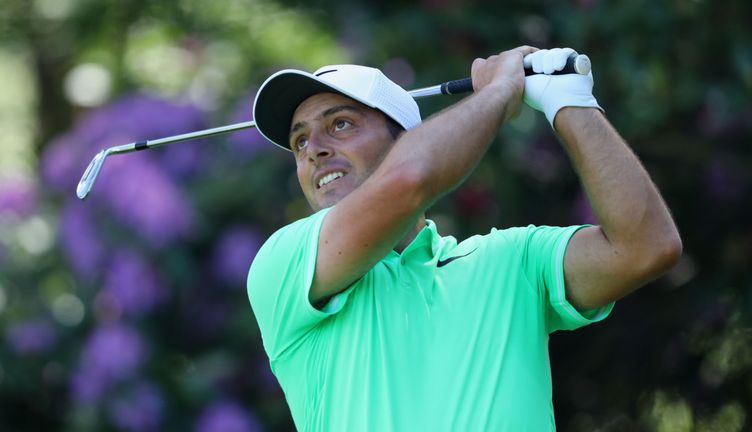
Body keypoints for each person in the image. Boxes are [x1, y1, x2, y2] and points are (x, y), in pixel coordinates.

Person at [246, 46, 682, 431]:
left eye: (340, 124)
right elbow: (410, 180)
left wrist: (569, 101)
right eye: (299, 140)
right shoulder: (285, 265)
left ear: (407, 139)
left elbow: (644, 247)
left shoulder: (511, 262)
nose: (313, 149)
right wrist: (499, 92)